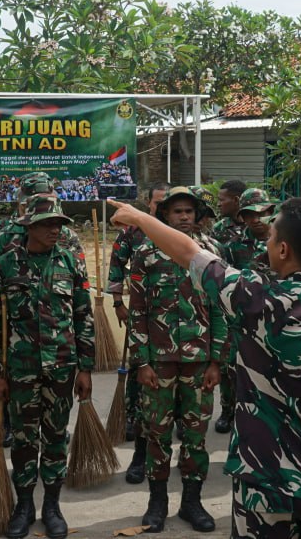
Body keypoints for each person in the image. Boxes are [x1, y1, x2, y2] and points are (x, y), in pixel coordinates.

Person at [108, 196, 301, 539]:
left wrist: (139, 217)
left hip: (264, 484)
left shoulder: (251, 297)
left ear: (283, 249)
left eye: (271, 237)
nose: (266, 243)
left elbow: (187, 252)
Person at [0, 195, 94, 539]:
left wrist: (86, 367)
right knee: (23, 439)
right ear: (28, 226)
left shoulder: (70, 262)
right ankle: (24, 505)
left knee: (56, 436)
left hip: (62, 366)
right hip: (20, 369)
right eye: (47, 223)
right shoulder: (4, 266)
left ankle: (52, 505)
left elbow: (83, 316)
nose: (55, 229)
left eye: (59, 223)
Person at [125, 187, 223, 532]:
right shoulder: (145, 253)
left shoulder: (210, 253)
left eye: (189, 211)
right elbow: (137, 311)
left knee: (196, 436)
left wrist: (217, 362)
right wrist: (141, 362)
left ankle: (191, 503)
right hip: (159, 363)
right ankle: (158, 503)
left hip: (199, 363)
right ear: (164, 215)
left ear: (197, 215)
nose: (183, 216)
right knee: (157, 433)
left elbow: (220, 309)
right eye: (176, 211)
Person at [107, 182, 168, 444]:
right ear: (149, 204)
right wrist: (118, 303)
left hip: (175, 312)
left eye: (167, 203)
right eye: (158, 203)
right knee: (138, 363)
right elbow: (116, 265)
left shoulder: (178, 231)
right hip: (141, 310)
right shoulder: (132, 232)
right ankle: (132, 415)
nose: (162, 207)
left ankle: (172, 417)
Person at [213, 187, 274, 436]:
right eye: (250, 215)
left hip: (273, 317)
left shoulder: (282, 242)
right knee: (231, 368)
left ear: (271, 212)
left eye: (262, 213)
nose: (256, 219)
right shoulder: (232, 246)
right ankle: (228, 411)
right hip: (239, 317)